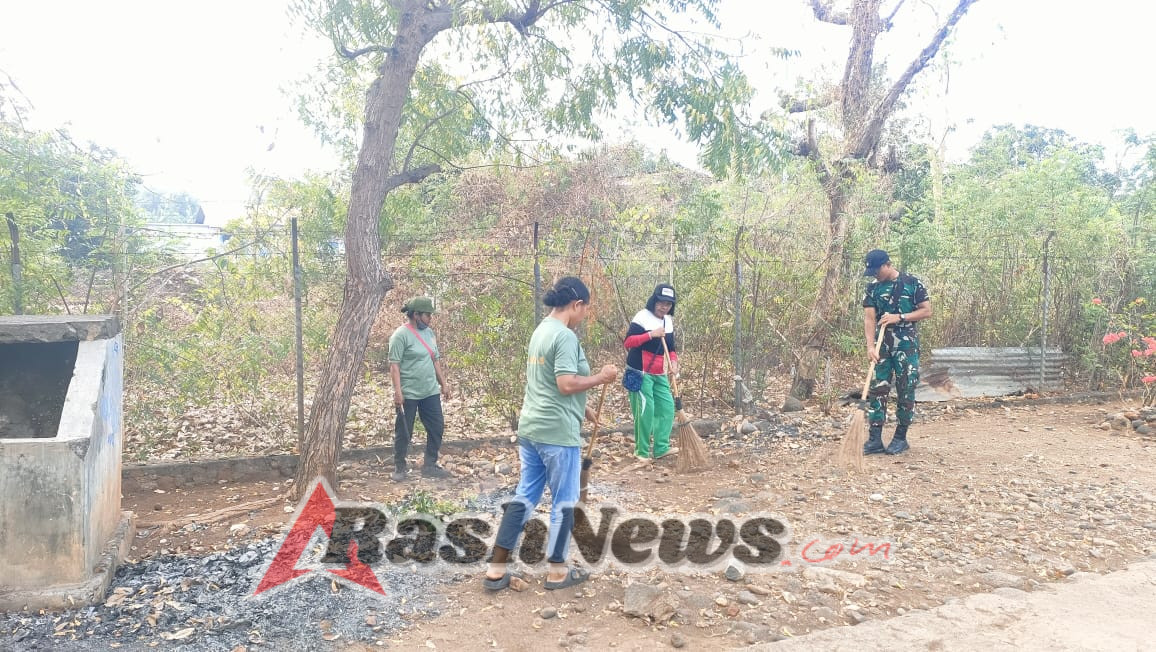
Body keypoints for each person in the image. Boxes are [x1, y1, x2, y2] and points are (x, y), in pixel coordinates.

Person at [482, 277, 617, 592]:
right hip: (557, 433)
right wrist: (601, 377)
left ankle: (496, 568)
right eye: (585, 309)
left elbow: (544, 381)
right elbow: (566, 383)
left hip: (532, 429)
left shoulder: (541, 330)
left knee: (525, 495)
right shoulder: (565, 336)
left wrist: (584, 408)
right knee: (565, 501)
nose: (585, 315)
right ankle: (557, 571)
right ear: (576, 304)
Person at [861, 249, 932, 455]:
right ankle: (874, 439)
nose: (875, 275)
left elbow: (926, 311)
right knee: (878, 389)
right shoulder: (872, 288)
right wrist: (870, 346)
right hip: (881, 347)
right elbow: (869, 318)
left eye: (877, 270)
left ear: (888, 264)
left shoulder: (912, 283)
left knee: (905, 388)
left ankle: (901, 437)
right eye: (872, 272)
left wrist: (900, 317)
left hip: (906, 347)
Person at [388, 296, 451, 481]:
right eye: (427, 315)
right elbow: (394, 365)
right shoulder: (400, 335)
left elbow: (435, 360)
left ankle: (430, 464)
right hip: (409, 392)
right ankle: (400, 467)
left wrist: (443, 384)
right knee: (404, 431)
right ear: (416, 315)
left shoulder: (429, 333)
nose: (430, 318)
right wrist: (398, 392)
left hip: (429, 391)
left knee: (437, 427)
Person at [622, 283, 679, 459]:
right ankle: (642, 451)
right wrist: (650, 335)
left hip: (658, 372)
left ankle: (661, 448)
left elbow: (671, 348)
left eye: (668, 304)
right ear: (654, 301)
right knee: (645, 410)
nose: (664, 307)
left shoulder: (667, 321)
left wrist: (674, 362)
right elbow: (628, 342)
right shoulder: (642, 317)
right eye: (661, 302)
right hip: (639, 371)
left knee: (667, 407)